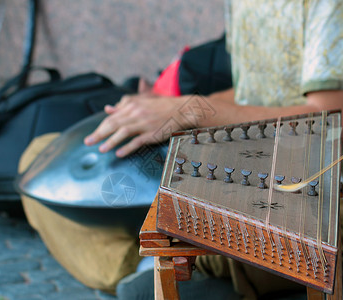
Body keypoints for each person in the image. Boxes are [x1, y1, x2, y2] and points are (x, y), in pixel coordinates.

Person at [20, 0, 343, 299]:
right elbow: (253, 93)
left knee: (223, 236)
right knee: (40, 156)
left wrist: (195, 110)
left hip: (310, 186)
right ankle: (148, 270)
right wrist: (167, 108)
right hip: (253, 150)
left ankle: (184, 274)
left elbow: (329, 117)